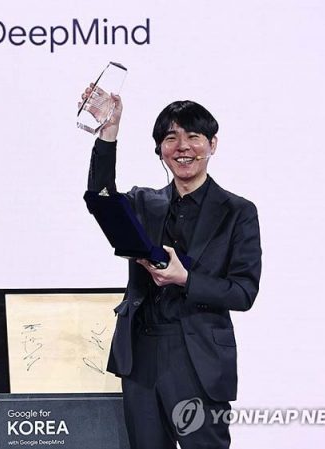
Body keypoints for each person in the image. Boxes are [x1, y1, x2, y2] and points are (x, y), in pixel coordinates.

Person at [83, 88, 262, 449]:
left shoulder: (238, 212)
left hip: (199, 357)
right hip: (141, 355)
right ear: (160, 150)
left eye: (193, 136)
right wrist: (108, 133)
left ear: (212, 144)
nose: (183, 147)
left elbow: (243, 292)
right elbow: (100, 198)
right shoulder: (143, 202)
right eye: (170, 138)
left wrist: (186, 279)